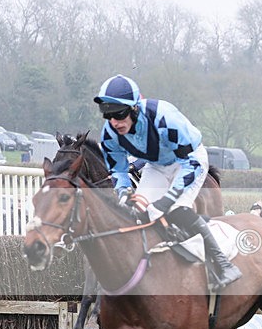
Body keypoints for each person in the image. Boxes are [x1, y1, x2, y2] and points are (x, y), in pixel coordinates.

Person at [94, 74, 241, 290]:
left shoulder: (163, 117)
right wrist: (124, 192)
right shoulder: (110, 134)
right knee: (137, 212)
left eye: (119, 114)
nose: (114, 122)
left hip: (189, 161)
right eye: (108, 115)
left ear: (135, 108)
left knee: (176, 209)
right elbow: (118, 169)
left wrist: (167, 200)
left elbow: (190, 162)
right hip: (157, 167)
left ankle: (224, 264)